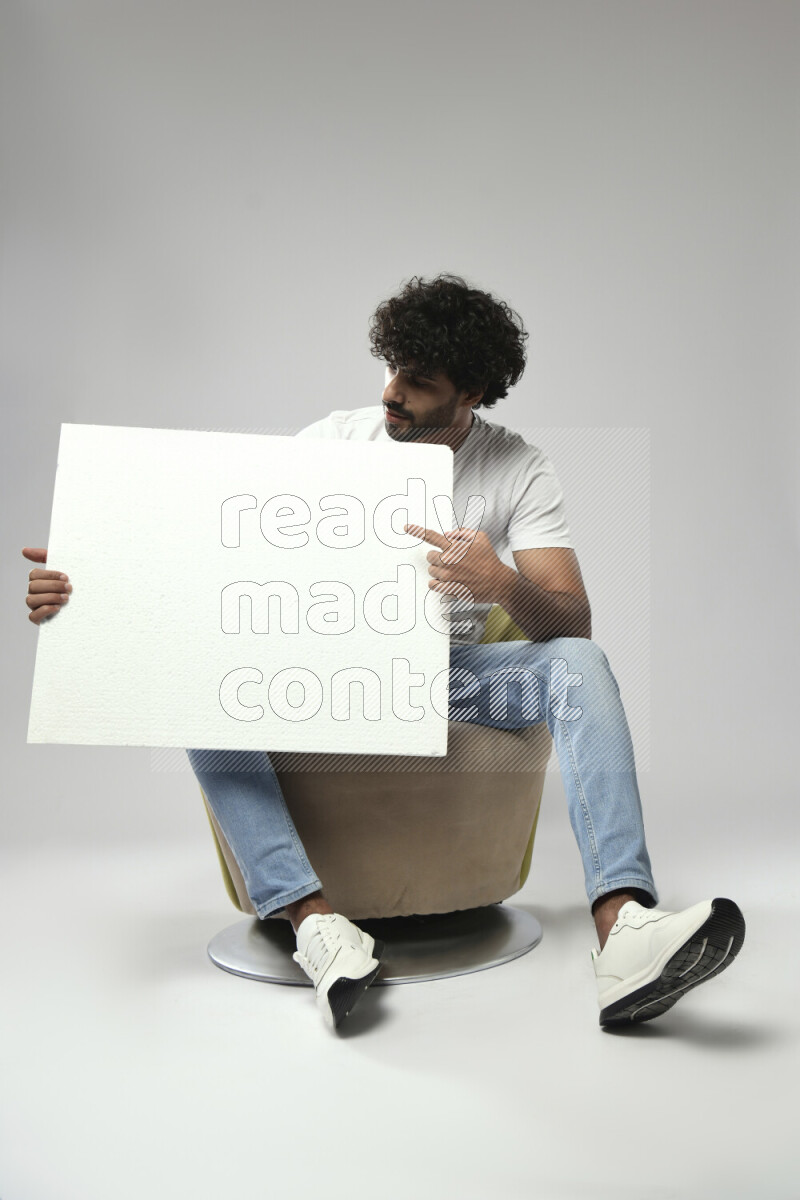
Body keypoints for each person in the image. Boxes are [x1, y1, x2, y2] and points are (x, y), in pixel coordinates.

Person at [23, 273, 745, 1032]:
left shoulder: (519, 467)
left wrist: (497, 580)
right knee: (206, 674)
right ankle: (313, 923)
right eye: (392, 369)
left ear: (469, 393)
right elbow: (214, 559)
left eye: (418, 381)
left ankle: (624, 928)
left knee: (581, 667)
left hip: (442, 677)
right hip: (312, 670)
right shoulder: (334, 442)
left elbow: (572, 622)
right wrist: (90, 591)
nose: (392, 393)